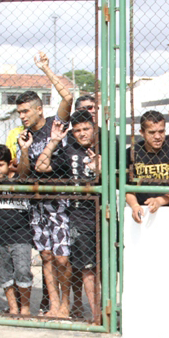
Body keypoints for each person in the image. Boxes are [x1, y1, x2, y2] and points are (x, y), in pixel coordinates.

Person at [36, 110, 101, 323]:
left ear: (94, 128)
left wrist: (100, 170)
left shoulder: (106, 148)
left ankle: (106, 312)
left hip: (105, 215)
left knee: (106, 268)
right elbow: (41, 166)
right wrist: (54, 141)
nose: (83, 134)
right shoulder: (69, 151)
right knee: (85, 269)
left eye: (86, 129)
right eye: (78, 130)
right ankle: (97, 317)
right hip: (79, 217)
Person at [15, 90, 72, 318]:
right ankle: (54, 305)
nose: (22, 116)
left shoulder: (54, 125)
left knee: (62, 257)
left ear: (39, 109)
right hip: (37, 204)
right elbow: (23, 175)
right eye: (19, 112)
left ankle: (66, 303)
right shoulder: (26, 135)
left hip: (59, 201)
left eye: (26, 111)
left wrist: (45, 68)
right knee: (46, 255)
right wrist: (25, 150)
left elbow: (68, 98)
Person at [0, 145, 33, 316]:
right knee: (4, 273)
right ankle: (13, 307)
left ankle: (25, 308)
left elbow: (25, 171)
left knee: (22, 270)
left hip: (20, 234)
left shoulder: (20, 179)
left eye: (0, 165)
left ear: (9, 163)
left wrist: (24, 150)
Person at [125, 111, 169, 224]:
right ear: (142, 132)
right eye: (152, 132)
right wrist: (134, 205)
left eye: (161, 131)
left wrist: (159, 201)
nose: (157, 136)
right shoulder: (131, 153)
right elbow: (128, 188)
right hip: (141, 209)